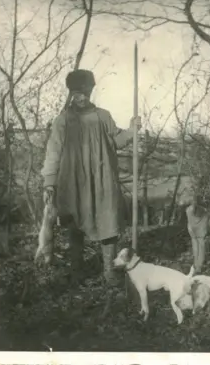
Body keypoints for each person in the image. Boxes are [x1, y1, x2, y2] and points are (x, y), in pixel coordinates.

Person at [41, 69, 141, 297]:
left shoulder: (103, 116)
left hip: (102, 178)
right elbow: (53, 151)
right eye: (77, 93)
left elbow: (116, 141)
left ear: (91, 91)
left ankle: (109, 272)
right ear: (71, 93)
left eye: (85, 92)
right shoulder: (63, 121)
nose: (82, 97)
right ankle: (77, 271)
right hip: (73, 181)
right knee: (74, 223)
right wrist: (49, 181)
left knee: (108, 219)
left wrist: (132, 130)